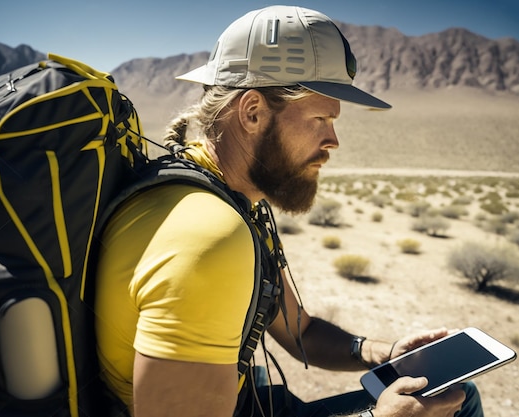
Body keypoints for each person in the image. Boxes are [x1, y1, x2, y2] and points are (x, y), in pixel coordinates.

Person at [94, 5, 484, 417]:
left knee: (454, 395)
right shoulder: (207, 239)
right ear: (252, 112)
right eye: (320, 118)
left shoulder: (225, 197)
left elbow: (303, 331)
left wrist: (385, 353)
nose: (333, 140)